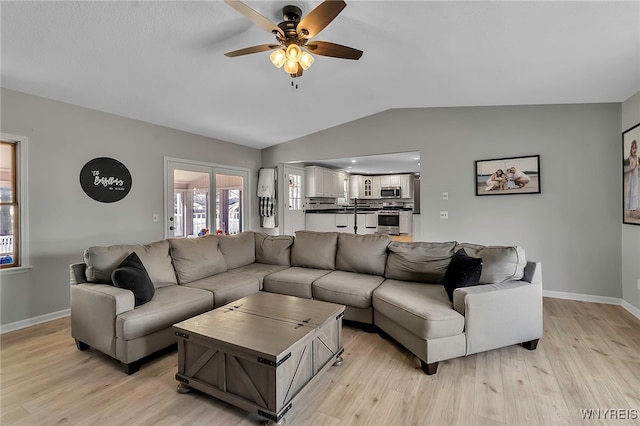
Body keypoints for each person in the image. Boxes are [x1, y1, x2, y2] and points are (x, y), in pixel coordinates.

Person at [626, 139, 639, 215]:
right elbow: (631, 168)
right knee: (631, 192)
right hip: (632, 178)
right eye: (633, 148)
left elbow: (638, 166)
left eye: (635, 148)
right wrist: (634, 165)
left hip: (636, 177)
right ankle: (631, 210)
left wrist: (637, 164)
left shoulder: (637, 157)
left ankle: (634, 208)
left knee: (635, 192)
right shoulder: (631, 157)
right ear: (631, 149)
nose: (634, 149)